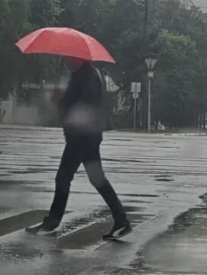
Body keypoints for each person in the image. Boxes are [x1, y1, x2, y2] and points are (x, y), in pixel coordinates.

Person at [26, 56, 131, 239]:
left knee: (63, 177)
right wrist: (62, 99)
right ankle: (121, 220)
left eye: (70, 58)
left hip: (82, 135)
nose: (67, 61)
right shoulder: (83, 75)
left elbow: (84, 104)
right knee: (97, 179)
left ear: (80, 58)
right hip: (87, 135)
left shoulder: (88, 76)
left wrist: (63, 99)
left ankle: (52, 221)